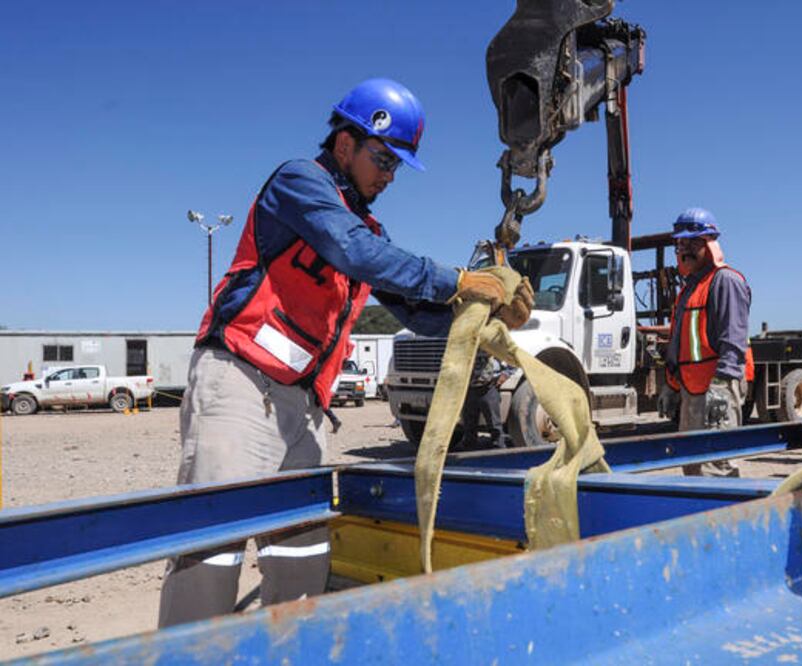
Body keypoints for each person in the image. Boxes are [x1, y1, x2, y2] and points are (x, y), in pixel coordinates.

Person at [159, 78, 533, 628]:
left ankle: (287, 652)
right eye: (383, 159)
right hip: (241, 383)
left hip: (304, 407)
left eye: (396, 166)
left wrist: (480, 312)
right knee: (214, 542)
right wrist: (457, 279)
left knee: (300, 548)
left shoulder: (365, 227)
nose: (388, 175)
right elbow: (353, 252)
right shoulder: (300, 184)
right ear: (344, 146)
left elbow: (414, 312)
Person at [661, 208, 752, 477]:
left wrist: (721, 388)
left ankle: (725, 518)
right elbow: (679, 343)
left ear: (710, 244)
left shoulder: (725, 281)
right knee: (692, 465)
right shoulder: (689, 289)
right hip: (692, 390)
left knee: (717, 467)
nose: (684, 249)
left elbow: (733, 341)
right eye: (680, 244)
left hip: (716, 387)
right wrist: (671, 385)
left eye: (692, 243)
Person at [459, 355, 511, 450]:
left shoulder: (492, 344)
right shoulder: (468, 344)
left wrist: (506, 374)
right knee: (469, 424)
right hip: (469, 389)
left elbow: (511, 358)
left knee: (494, 425)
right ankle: (469, 452)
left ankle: (499, 450)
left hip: (488, 388)